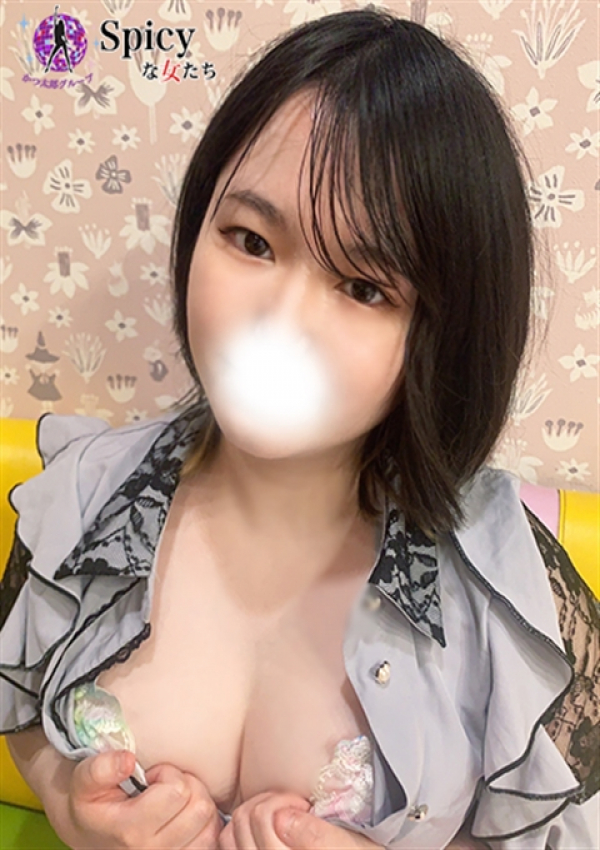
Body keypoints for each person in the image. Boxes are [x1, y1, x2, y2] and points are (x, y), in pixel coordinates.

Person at [1, 8, 598, 850]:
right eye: (251, 240)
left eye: (364, 288)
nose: (279, 321)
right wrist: (70, 803)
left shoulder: (511, 599)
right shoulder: (80, 499)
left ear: (442, 333)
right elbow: (22, 705)